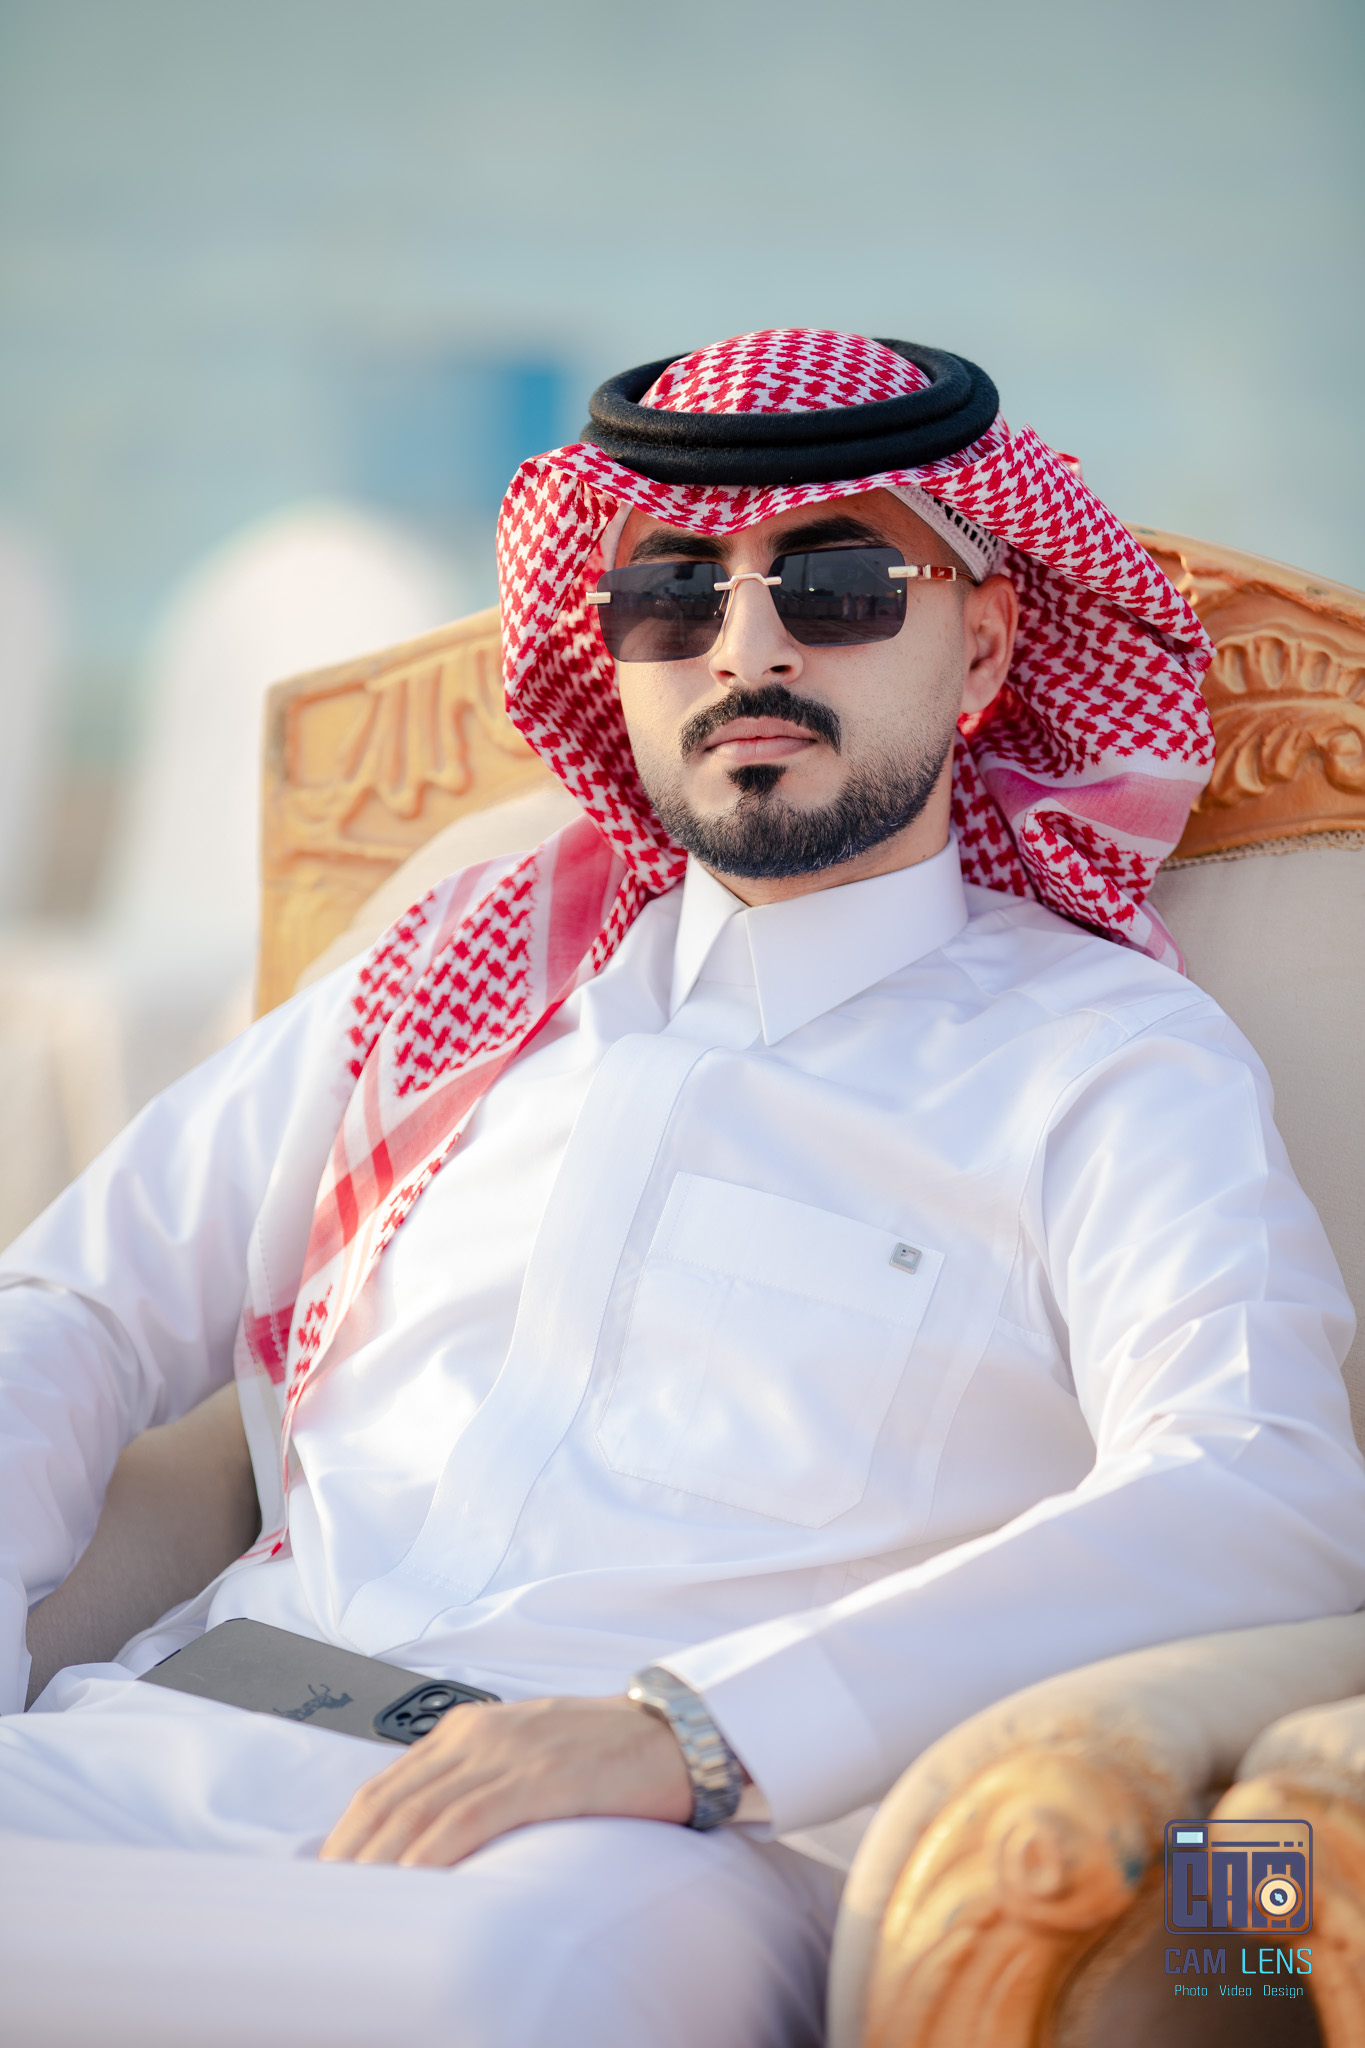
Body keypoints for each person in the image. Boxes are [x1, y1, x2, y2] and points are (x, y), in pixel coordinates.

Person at [1, 329, 1362, 2048]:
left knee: (489, 2006)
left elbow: (1257, 1480)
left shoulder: (1102, 1063)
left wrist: (693, 1733)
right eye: (672, 595)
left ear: (983, 643)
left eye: (839, 587)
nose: (748, 649)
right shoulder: (456, 973)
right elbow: (74, 1303)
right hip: (173, 1741)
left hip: (637, 1857)